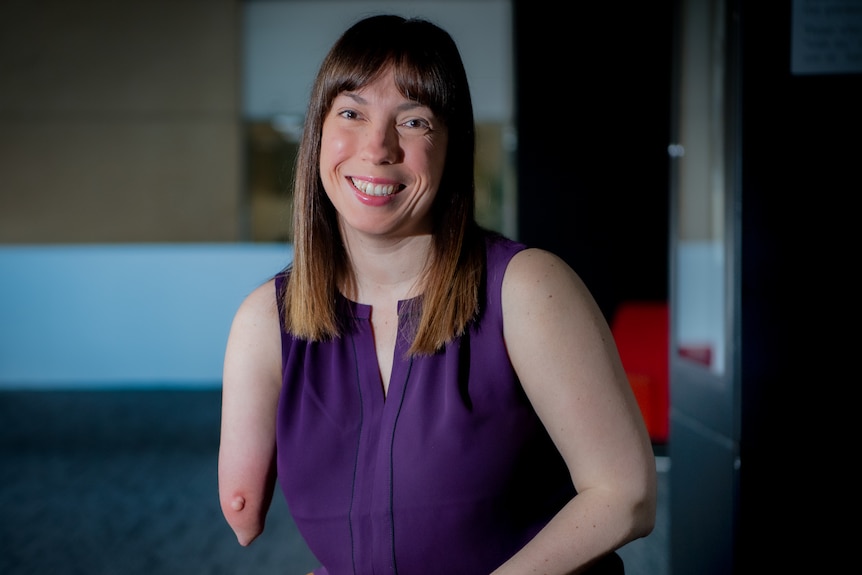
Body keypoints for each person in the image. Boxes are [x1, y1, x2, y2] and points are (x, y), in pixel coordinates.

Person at [218, 14, 656, 575]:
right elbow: (242, 515)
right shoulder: (266, 318)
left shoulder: (526, 287)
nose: (377, 148)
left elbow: (626, 495)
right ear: (317, 136)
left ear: (452, 149)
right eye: (351, 113)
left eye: (415, 121)